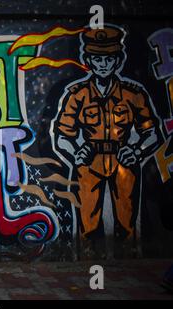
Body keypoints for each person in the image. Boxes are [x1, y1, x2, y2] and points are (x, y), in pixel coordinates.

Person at [53, 25, 161, 259]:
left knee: (127, 220)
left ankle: (127, 262)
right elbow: (62, 136)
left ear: (118, 61)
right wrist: (75, 152)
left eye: (109, 59)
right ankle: (88, 260)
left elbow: (152, 133)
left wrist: (138, 151)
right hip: (89, 161)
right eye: (98, 59)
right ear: (89, 61)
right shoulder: (78, 94)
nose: (104, 65)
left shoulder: (133, 93)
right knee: (87, 221)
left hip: (124, 159)